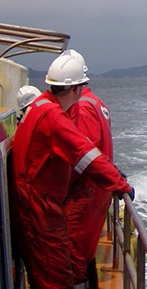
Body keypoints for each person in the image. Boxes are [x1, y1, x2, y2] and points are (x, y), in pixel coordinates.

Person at [10, 54, 133, 289]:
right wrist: (120, 184)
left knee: (42, 273)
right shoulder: (53, 117)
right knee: (56, 277)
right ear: (76, 89)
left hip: (32, 205)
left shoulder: (36, 108)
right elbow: (86, 154)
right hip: (41, 209)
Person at [63, 50, 116, 288]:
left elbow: (86, 153)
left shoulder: (82, 108)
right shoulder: (97, 102)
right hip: (98, 193)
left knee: (74, 254)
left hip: (86, 193)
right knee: (84, 252)